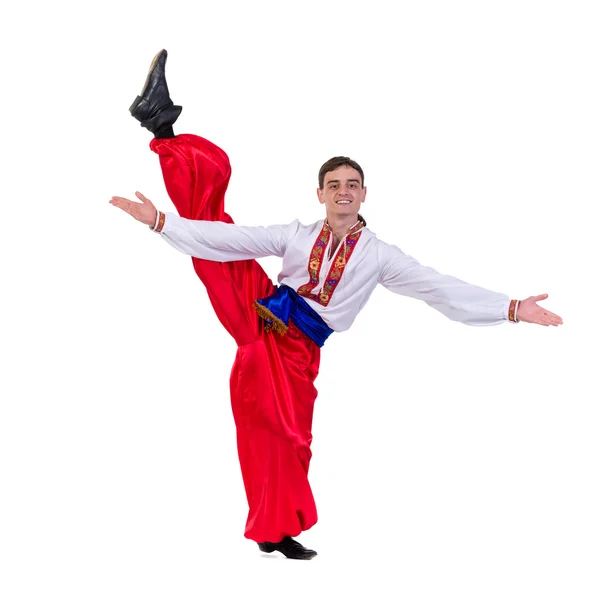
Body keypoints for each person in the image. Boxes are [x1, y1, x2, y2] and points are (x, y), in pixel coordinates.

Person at [109, 50, 564, 560]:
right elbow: (230, 240)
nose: (342, 192)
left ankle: (272, 530)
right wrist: (159, 222)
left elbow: (438, 287)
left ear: (364, 194)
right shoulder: (296, 234)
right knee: (218, 246)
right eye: (334, 185)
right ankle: (164, 130)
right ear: (320, 193)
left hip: (298, 349)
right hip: (263, 311)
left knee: (286, 438)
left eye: (351, 185)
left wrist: (511, 307)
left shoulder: (380, 257)